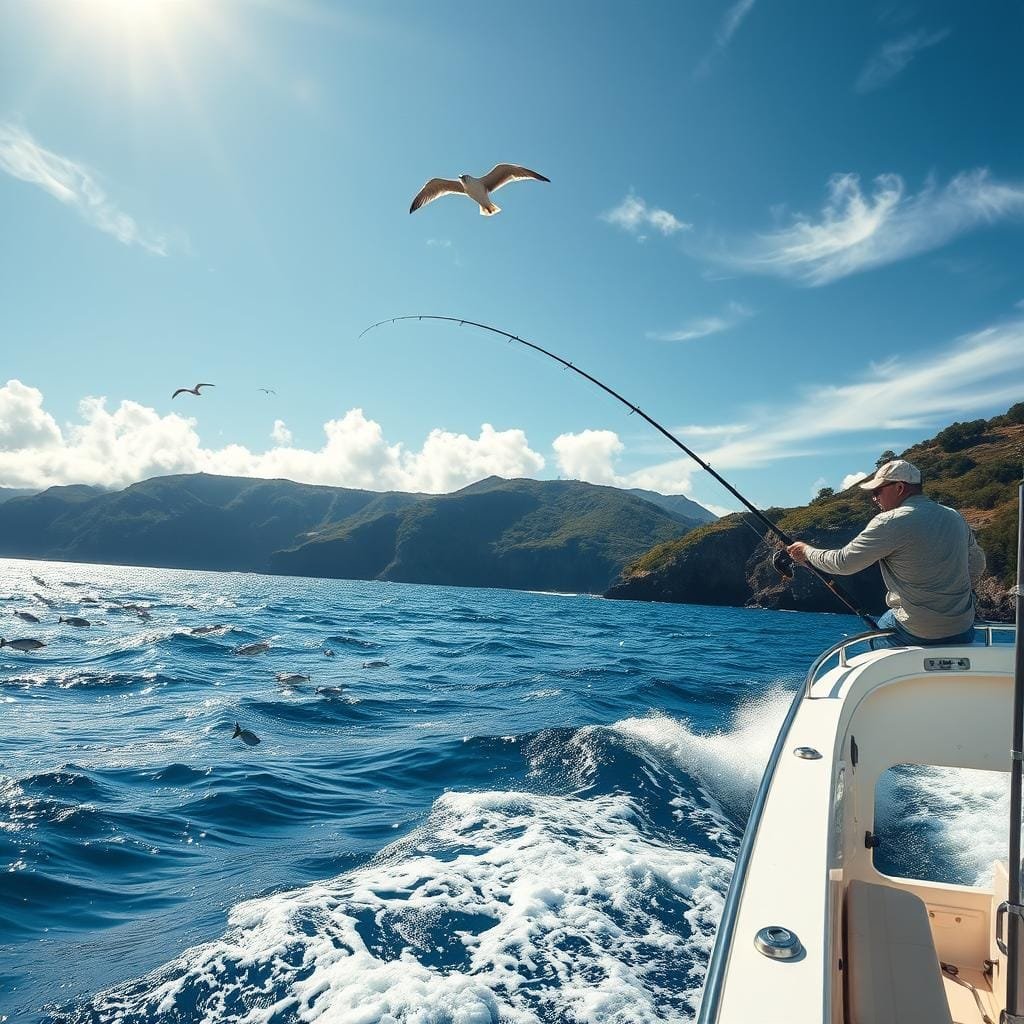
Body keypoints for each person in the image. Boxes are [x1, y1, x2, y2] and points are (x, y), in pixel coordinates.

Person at [786, 459, 986, 647]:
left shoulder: (890, 521)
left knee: (875, 637)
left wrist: (806, 551)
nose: (875, 498)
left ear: (900, 488)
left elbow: (843, 563)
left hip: (916, 630)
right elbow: (978, 563)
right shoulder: (954, 516)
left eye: (878, 491)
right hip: (962, 628)